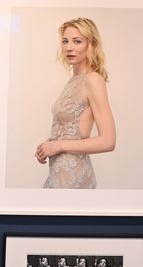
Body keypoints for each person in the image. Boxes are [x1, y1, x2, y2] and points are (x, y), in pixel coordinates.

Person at [35, 18, 116, 188]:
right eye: (65, 41)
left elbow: (108, 141)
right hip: (58, 173)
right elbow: (72, 129)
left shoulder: (93, 80)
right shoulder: (74, 80)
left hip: (74, 176)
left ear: (91, 44)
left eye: (77, 41)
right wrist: (48, 144)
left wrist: (57, 146)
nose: (69, 47)